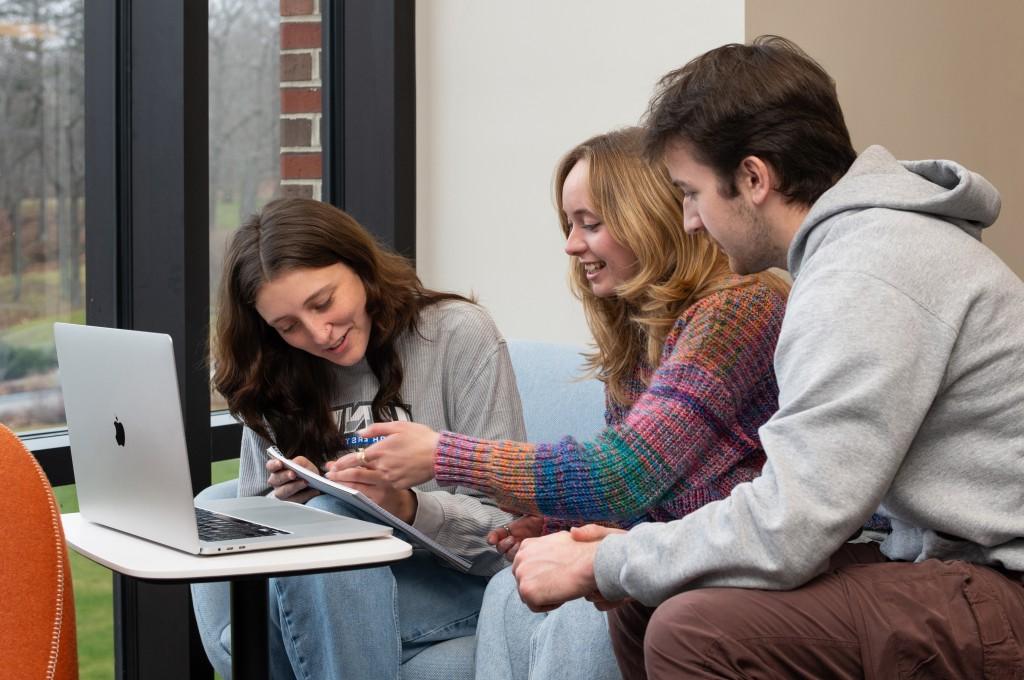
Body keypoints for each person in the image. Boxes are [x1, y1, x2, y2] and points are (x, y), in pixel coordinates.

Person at [509, 36, 1024, 679]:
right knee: (648, 601)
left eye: (691, 193)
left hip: (1003, 586)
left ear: (753, 179)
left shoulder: (866, 275)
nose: (690, 221)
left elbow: (791, 526)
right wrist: (632, 556)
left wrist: (607, 560)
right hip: (939, 562)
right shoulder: (855, 256)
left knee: (693, 630)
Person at [352, 128, 789, 680]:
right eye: (569, 225)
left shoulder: (738, 311)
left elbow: (627, 473)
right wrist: (554, 522)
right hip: (673, 548)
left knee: (585, 608)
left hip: (743, 560)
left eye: (591, 224)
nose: (571, 244)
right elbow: (648, 490)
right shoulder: (639, 335)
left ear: (649, 217)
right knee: (508, 587)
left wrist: (445, 455)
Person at [190, 197, 527, 680]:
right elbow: (253, 524)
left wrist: (406, 506)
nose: (319, 333)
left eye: (323, 302)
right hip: (322, 588)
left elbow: (509, 531)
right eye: (288, 326)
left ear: (360, 265)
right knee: (307, 551)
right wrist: (291, 501)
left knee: (302, 568)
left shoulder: (457, 334)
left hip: (452, 582)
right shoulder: (275, 371)